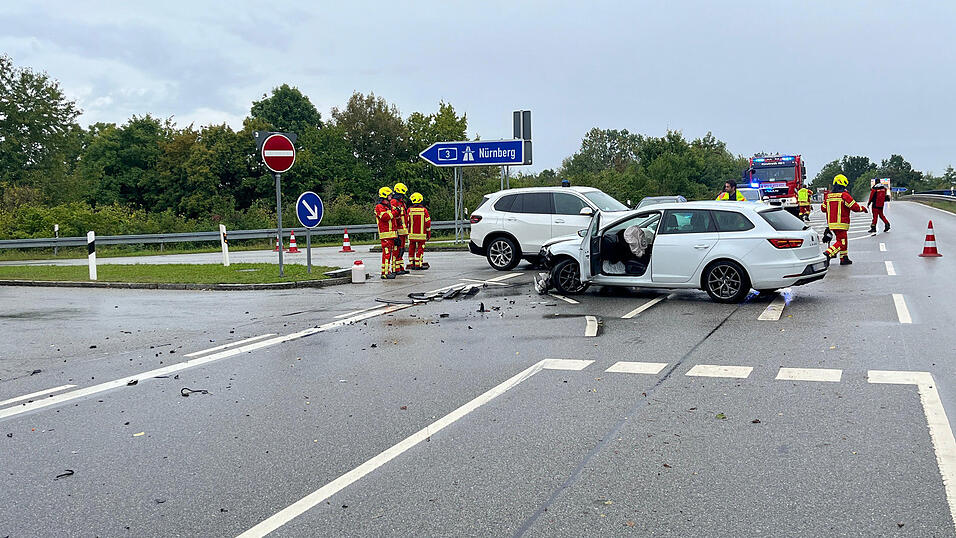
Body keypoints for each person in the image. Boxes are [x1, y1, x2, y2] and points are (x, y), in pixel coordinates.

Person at [821, 174, 867, 265]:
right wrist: (863, 208)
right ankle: (828, 254)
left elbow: (823, 209)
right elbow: (855, 207)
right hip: (841, 223)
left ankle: (844, 258)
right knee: (841, 243)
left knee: (843, 240)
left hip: (832, 224)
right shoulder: (844, 195)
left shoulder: (828, 196)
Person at [374, 187, 400, 279]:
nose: (391, 196)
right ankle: (385, 273)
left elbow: (396, 215)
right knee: (387, 254)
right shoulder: (379, 207)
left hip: (392, 234)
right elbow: (385, 217)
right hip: (385, 235)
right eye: (389, 195)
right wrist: (395, 212)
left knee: (391, 254)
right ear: (384, 195)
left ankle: (389, 271)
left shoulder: (389, 206)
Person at [407, 192, 432, 270]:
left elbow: (406, 221)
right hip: (421, 235)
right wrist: (428, 234)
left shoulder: (409, 210)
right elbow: (428, 223)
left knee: (411, 249)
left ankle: (411, 264)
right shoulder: (424, 210)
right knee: (420, 249)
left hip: (411, 234)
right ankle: (418, 264)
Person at [390, 182, 410, 275]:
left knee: (401, 249)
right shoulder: (394, 202)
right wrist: (395, 231)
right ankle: (395, 269)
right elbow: (394, 216)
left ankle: (400, 267)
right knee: (397, 250)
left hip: (403, 230)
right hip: (398, 230)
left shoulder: (401, 202)